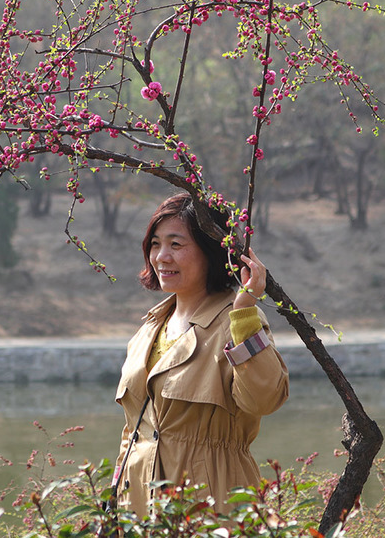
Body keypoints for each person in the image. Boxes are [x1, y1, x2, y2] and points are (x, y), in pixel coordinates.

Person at [113, 192, 289, 519]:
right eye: (155, 244)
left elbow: (265, 400)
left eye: (176, 245)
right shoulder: (148, 330)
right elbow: (132, 435)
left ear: (210, 252)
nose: (162, 256)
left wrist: (245, 311)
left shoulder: (237, 322)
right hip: (137, 507)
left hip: (212, 507)